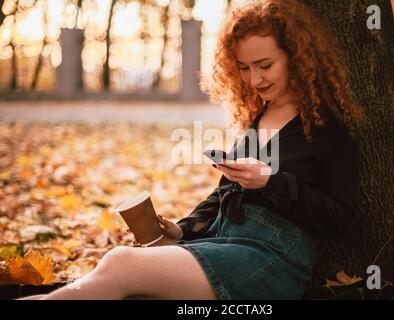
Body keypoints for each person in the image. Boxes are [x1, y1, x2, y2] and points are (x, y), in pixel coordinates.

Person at [19, 0, 364, 300]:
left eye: (265, 64)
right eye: (243, 68)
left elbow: (342, 216)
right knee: (125, 283)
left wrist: (271, 182)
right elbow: (224, 196)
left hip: (271, 260)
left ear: (297, 58)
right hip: (223, 242)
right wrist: (182, 230)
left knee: (121, 263)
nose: (254, 79)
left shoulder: (327, 128)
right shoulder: (255, 119)